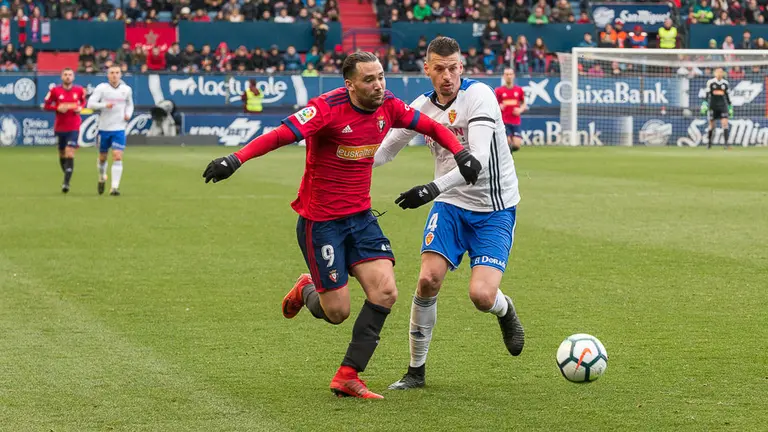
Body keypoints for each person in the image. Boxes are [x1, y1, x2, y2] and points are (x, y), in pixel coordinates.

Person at [201, 51, 481, 399]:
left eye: (381, 76)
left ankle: (348, 374)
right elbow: (278, 135)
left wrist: (461, 152)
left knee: (386, 291)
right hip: (321, 223)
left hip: (360, 218)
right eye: (369, 80)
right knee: (337, 312)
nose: (379, 85)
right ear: (349, 85)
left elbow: (431, 127)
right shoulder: (325, 109)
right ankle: (307, 289)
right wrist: (234, 159)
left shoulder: (389, 105)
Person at [373, 36, 524, 391]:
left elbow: (478, 163)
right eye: (439, 68)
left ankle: (505, 309)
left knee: (482, 296)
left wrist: (429, 189)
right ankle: (415, 371)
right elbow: (384, 152)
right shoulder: (421, 107)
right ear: (427, 69)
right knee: (427, 280)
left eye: (453, 68)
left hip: (494, 208)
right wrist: (347, 161)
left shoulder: (480, 96)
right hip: (451, 205)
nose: (447, 76)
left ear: (462, 67)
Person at [87, 65, 134, 196]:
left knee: (117, 156)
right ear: (108, 75)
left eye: (117, 73)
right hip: (104, 128)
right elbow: (90, 104)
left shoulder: (126, 89)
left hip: (119, 128)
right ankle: (102, 177)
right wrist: (104, 105)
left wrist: (128, 114)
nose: (114, 75)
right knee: (102, 158)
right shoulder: (102, 88)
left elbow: (130, 104)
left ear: (121, 75)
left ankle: (114, 187)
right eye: (112, 73)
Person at [43, 68, 87, 193]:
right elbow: (46, 105)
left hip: (74, 126)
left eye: (70, 75)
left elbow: (83, 102)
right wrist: (57, 108)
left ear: (73, 77)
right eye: (65, 75)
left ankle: (66, 183)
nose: (68, 77)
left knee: (70, 152)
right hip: (60, 127)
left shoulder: (79, 90)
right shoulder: (55, 90)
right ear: (62, 77)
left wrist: (80, 108)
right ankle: (67, 174)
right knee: (62, 153)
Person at [701, 67, 733, 149]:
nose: (720, 74)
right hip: (713, 106)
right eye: (718, 72)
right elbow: (707, 95)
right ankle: (709, 143)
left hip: (723, 106)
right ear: (715, 73)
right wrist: (704, 104)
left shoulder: (725, 83)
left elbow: (727, 96)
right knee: (712, 125)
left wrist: (730, 106)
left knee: (725, 123)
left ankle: (726, 144)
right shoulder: (711, 82)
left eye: (721, 72)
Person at [495, 67, 526, 152]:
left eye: (510, 74)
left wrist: (520, 110)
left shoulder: (519, 90)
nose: (509, 76)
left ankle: (505, 155)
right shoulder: (499, 90)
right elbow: (493, 104)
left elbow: (524, 104)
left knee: (516, 145)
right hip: (504, 122)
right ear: (504, 76)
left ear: (514, 76)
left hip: (516, 121)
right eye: (507, 74)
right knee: (507, 142)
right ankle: (507, 161)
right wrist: (499, 106)